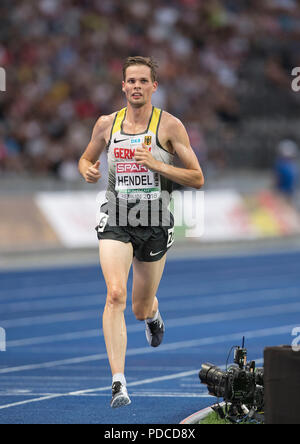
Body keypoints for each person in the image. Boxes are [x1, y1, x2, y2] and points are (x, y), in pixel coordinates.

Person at [78, 56, 204, 408]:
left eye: (142, 81)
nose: (135, 86)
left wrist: (158, 164)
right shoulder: (107, 124)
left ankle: (152, 313)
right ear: (122, 86)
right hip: (117, 216)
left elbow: (197, 177)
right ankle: (118, 382)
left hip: (154, 220)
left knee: (137, 307)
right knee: (115, 294)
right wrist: (87, 169)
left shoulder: (169, 126)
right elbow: (85, 159)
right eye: (130, 81)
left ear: (153, 87)